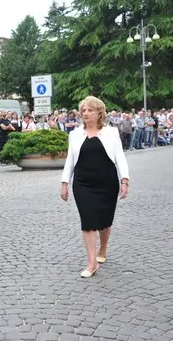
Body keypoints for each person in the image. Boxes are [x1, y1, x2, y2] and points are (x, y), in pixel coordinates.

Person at [60, 95, 130, 278]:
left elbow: (120, 158)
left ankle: (103, 248)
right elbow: (70, 161)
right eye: (83, 110)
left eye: (90, 110)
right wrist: (64, 183)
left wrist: (125, 180)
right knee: (88, 221)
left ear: (100, 113)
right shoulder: (75, 134)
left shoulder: (111, 133)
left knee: (104, 222)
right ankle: (91, 263)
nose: (86, 113)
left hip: (107, 182)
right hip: (83, 183)